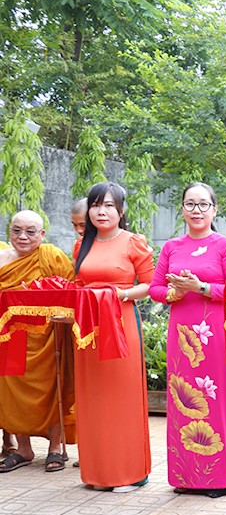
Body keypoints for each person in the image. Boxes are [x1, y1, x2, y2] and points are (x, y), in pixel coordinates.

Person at [149, 183, 226, 498]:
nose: (197, 211)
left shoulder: (224, 245)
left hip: (215, 332)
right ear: (182, 209)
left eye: (203, 205)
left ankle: (223, 478)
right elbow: (155, 289)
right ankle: (186, 477)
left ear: (214, 210)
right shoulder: (171, 247)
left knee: (215, 401)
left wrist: (200, 287)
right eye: (190, 204)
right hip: (182, 333)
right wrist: (175, 293)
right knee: (181, 400)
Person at [73, 182, 154, 492]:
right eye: (96, 205)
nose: (101, 211)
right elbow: (78, 284)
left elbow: (150, 285)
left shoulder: (134, 242)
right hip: (87, 329)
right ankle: (97, 472)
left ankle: (129, 473)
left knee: (122, 397)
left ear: (121, 210)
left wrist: (119, 294)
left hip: (121, 324)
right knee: (93, 398)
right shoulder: (82, 245)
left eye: (109, 205)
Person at [0, 211, 75, 474]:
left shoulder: (51, 255)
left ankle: (55, 447)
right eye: (16, 230)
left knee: (52, 387)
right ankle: (23, 448)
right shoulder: (2, 258)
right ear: (9, 231)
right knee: (12, 391)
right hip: (12, 336)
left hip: (48, 336)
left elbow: (70, 289)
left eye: (30, 232)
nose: (22, 237)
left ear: (42, 235)